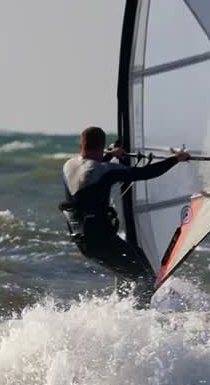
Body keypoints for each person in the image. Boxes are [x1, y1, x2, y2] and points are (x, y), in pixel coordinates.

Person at [59, 126, 190, 306]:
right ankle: (139, 317)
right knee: (146, 278)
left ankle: (120, 311)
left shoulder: (69, 165)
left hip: (83, 241)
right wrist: (176, 159)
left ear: (82, 144)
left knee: (133, 267)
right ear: (102, 145)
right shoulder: (106, 170)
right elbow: (145, 173)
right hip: (102, 241)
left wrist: (110, 154)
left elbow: (90, 169)